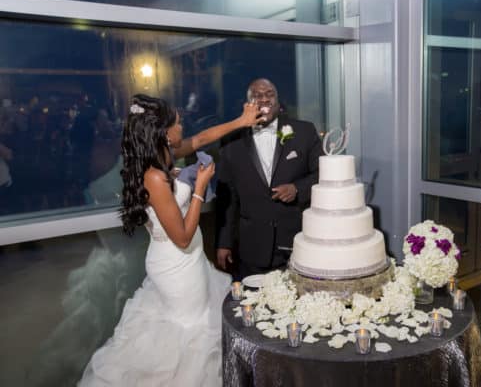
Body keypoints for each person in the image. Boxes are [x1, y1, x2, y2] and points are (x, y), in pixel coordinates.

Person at [78, 94, 260, 386]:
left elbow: (201, 139)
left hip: (190, 261)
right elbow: (183, 237)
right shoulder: (153, 176)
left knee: (197, 329)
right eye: (178, 123)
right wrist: (199, 187)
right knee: (190, 336)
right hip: (176, 266)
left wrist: (241, 121)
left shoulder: (163, 155)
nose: (182, 126)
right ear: (164, 132)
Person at [216, 78, 322, 280]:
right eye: (257, 95)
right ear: (248, 105)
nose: (264, 99)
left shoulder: (304, 132)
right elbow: (227, 197)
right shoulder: (231, 140)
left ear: (278, 101)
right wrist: (224, 242)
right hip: (252, 246)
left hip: (298, 240)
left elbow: (322, 174)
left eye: (269, 94)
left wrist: (297, 188)